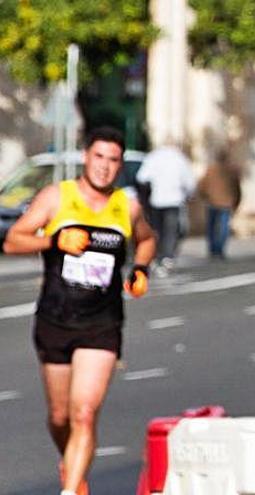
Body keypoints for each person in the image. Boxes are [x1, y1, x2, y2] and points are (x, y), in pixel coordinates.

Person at [3, 126, 156, 495]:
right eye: (98, 157)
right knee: (60, 417)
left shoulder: (127, 205)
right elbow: (12, 241)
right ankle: (72, 463)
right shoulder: (58, 197)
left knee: (84, 413)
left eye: (113, 160)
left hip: (102, 322)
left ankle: (71, 489)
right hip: (55, 318)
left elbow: (147, 239)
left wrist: (140, 270)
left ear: (120, 165)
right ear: (86, 156)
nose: (104, 167)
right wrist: (54, 240)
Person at [135, 140, 195, 273]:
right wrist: (189, 195)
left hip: (156, 200)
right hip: (174, 200)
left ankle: (156, 256)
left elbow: (142, 177)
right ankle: (167, 256)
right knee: (171, 230)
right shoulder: (179, 159)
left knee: (157, 229)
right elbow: (189, 181)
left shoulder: (153, 157)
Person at [197, 148, 241, 259]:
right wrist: (236, 202)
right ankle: (220, 249)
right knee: (223, 227)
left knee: (211, 227)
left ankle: (213, 249)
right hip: (226, 203)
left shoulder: (210, 170)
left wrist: (205, 196)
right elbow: (236, 188)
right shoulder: (232, 170)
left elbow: (201, 185)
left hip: (212, 202)